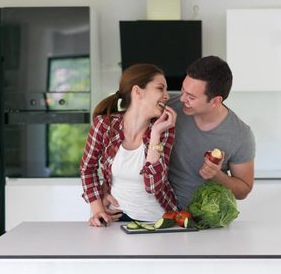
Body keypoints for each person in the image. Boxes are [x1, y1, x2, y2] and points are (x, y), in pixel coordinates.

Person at [80, 64, 179, 227]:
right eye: (160, 88)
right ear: (138, 92)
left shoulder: (164, 129)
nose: (166, 96)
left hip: (160, 220)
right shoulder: (104, 125)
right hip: (116, 218)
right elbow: (87, 169)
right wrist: (98, 210)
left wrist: (155, 135)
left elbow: (154, 186)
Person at [168, 56, 256, 209]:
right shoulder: (168, 106)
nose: (182, 99)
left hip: (207, 220)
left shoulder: (241, 135)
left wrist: (217, 175)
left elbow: (243, 191)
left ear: (215, 101)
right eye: (183, 91)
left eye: (191, 97)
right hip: (163, 214)